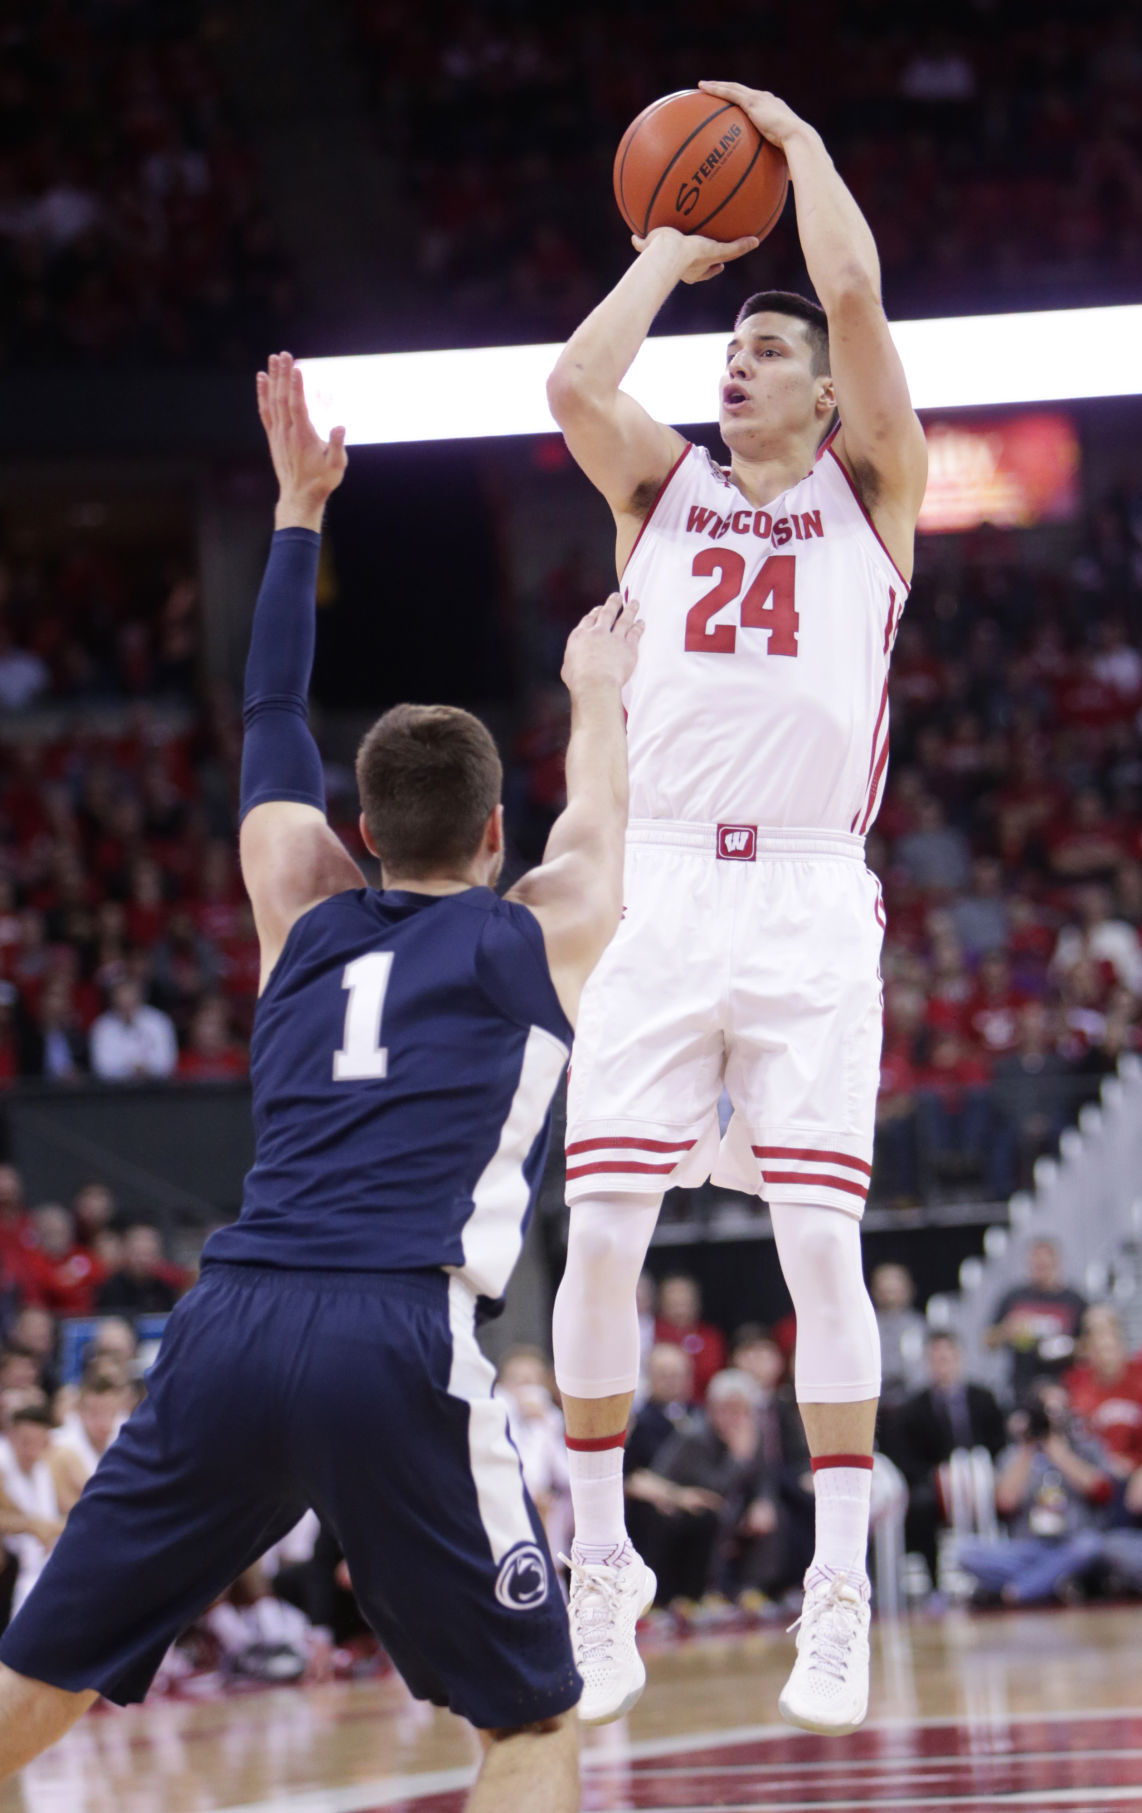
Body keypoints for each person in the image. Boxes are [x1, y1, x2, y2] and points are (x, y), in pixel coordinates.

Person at [0, 353, 643, 1812]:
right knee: (534, 1726)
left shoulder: (296, 894)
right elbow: (606, 812)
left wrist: (299, 512)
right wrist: (598, 685)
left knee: (36, 1679)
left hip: (225, 1323)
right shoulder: (534, 928)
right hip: (393, 1334)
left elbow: (267, 715)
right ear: (494, 836)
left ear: (359, 827)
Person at [546, 78, 927, 1731]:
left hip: (809, 901)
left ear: (829, 395)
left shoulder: (878, 488)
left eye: (771, 352)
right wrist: (666, 254)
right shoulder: (658, 485)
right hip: (672, 882)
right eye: (737, 346)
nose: (741, 359)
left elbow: (847, 293)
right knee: (606, 1225)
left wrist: (808, 157)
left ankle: (836, 1580)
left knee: (819, 1239)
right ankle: (597, 1556)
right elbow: (571, 380)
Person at [882, 1331, 1006, 1589]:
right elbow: (906, 1458)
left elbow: (999, 1442)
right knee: (921, 1505)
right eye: (936, 1359)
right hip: (937, 1483)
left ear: (959, 1358)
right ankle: (935, 1580)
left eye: (947, 1358)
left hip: (983, 1478)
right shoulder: (913, 1409)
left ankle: (999, 1571)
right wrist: (940, 1476)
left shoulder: (983, 1398)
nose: (943, 1365)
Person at [987, 1238, 1088, 1404]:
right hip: (1023, 1384)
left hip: (1065, 1381)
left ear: (1057, 1264)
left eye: (1046, 1266)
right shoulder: (1014, 1297)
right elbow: (987, 1341)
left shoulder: (1074, 1300)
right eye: (1037, 1266)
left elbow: (1089, 1345)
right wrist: (1007, 1331)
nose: (1041, 1271)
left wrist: (1068, 1347)